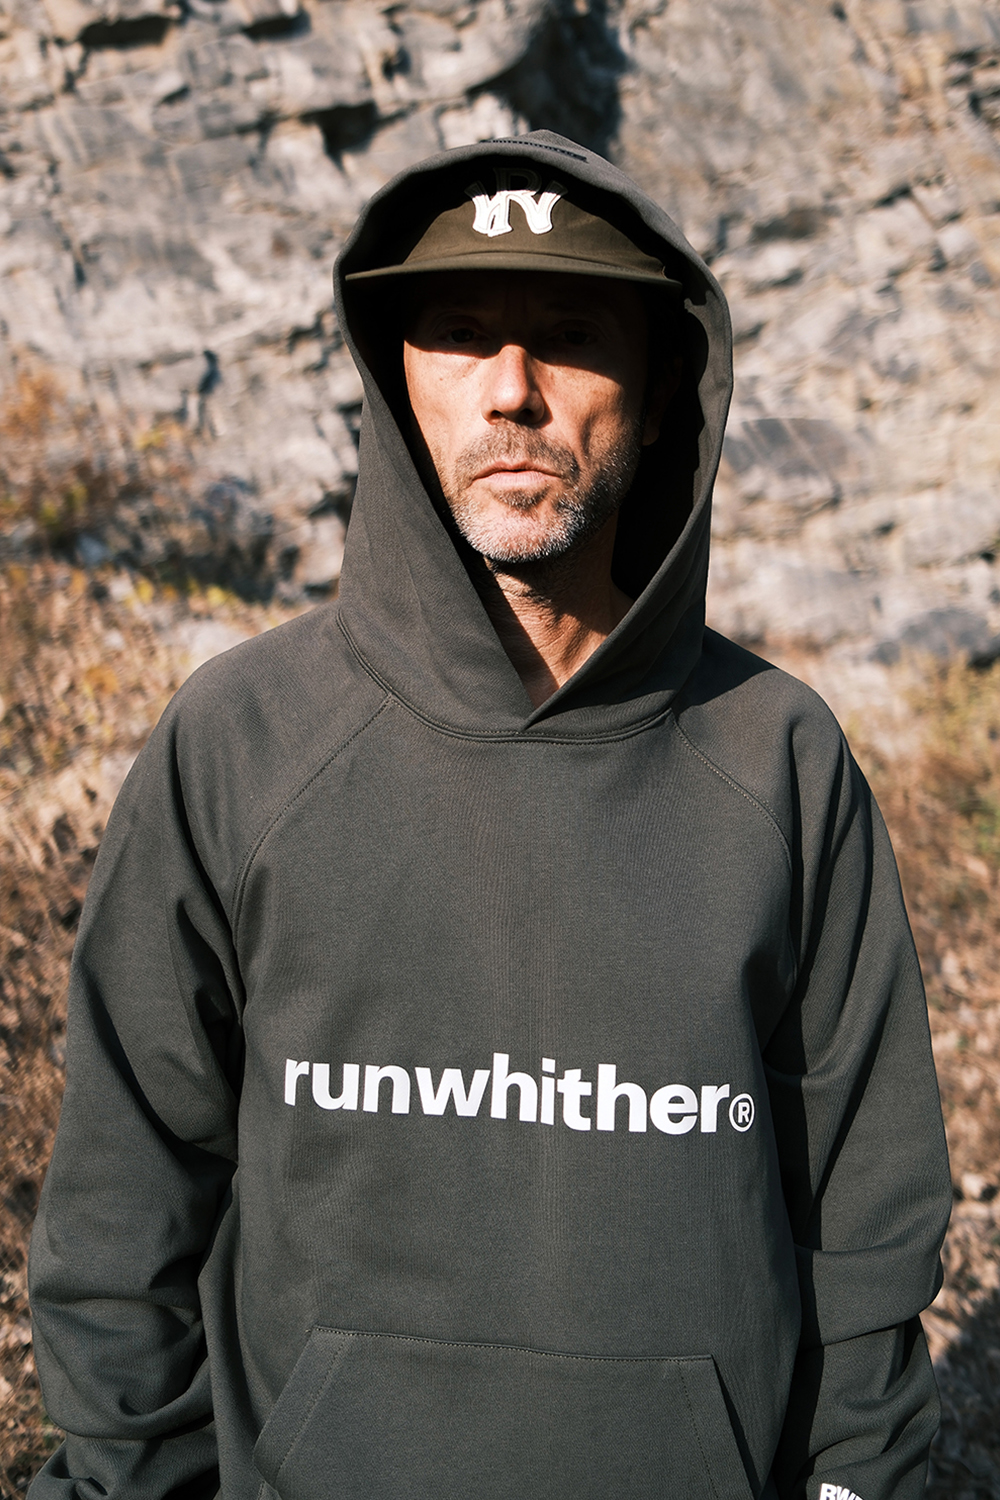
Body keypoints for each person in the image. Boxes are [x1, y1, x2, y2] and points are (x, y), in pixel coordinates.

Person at [29, 131, 950, 1500]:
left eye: (569, 335)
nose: (512, 390)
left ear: (660, 386)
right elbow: (123, 1213)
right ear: (398, 381)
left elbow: (868, 1235)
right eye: (461, 333)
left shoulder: (780, 762)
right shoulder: (242, 740)